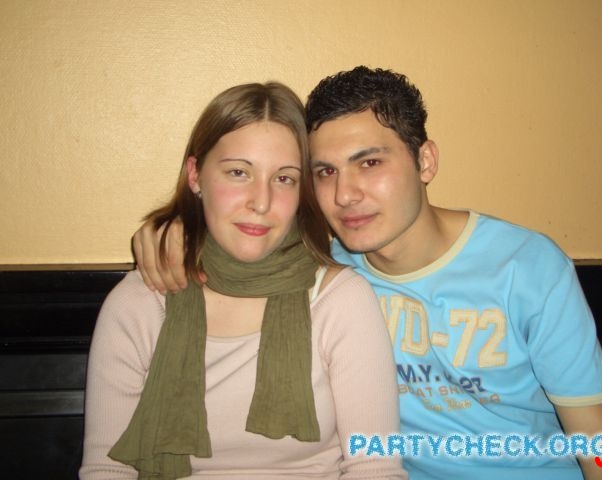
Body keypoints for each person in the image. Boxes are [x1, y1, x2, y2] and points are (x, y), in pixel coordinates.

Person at [131, 68, 602, 480]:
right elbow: (239, 235)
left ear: (425, 160)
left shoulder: (526, 267)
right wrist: (174, 229)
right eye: (325, 172)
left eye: (370, 163)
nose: (345, 194)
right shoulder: (324, 269)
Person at [80, 81, 407, 479]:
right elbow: (107, 469)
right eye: (238, 172)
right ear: (195, 175)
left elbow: (375, 465)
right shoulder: (141, 302)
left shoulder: (340, 300)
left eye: (284, 178)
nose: (261, 202)